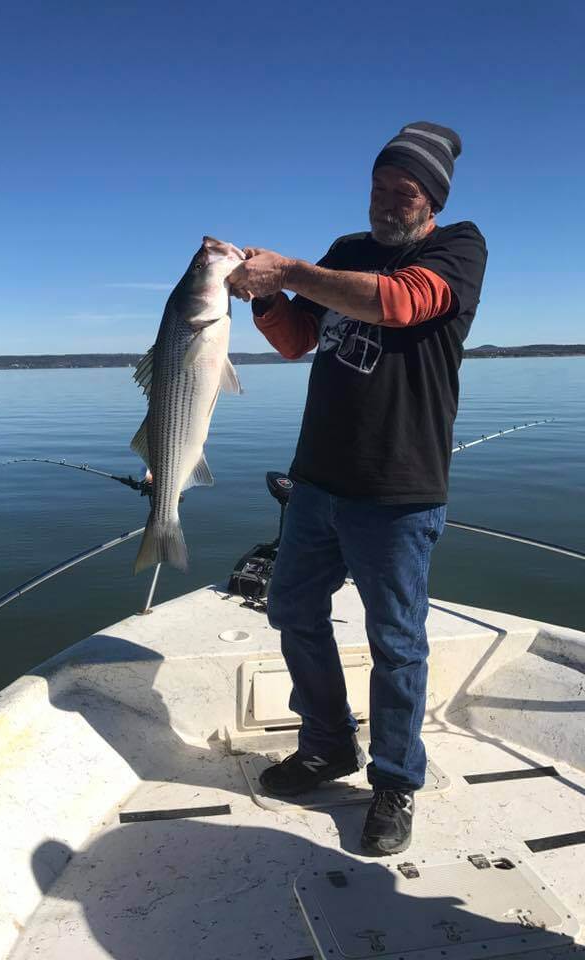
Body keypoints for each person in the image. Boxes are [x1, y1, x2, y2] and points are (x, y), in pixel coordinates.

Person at [227, 121, 487, 855]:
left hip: (399, 486)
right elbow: (297, 340)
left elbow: (398, 303)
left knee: (396, 643)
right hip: (317, 478)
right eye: (377, 187)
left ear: (430, 197)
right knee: (291, 606)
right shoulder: (345, 251)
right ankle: (327, 745)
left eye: (400, 191)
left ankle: (396, 780)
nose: (384, 202)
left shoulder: (458, 247)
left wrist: (289, 272)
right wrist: (260, 295)